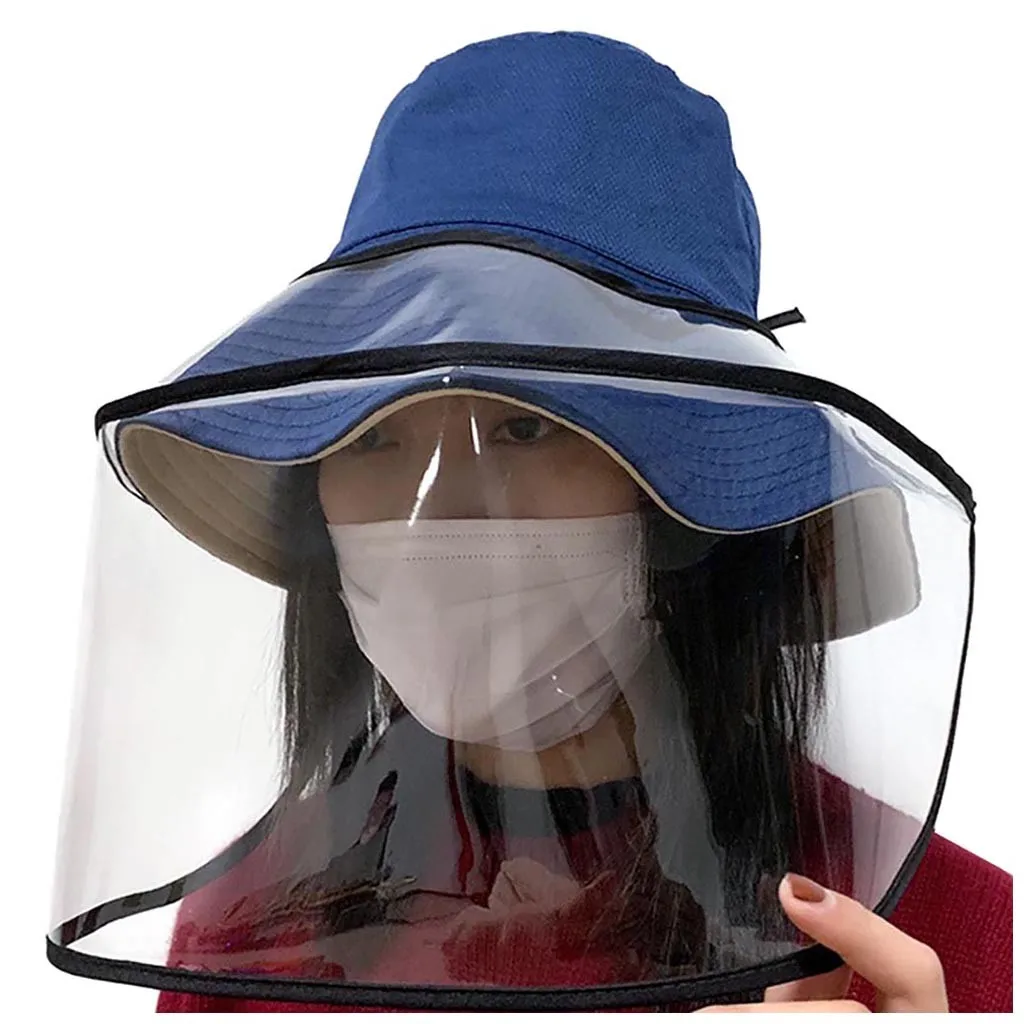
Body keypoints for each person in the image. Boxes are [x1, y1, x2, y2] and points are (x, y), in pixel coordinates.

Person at [47, 32, 1011, 1013]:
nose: (437, 515)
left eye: (523, 424)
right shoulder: (250, 937)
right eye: (372, 436)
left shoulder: (934, 939)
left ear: (684, 492)